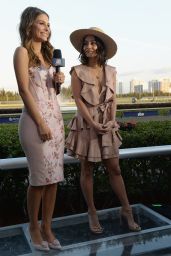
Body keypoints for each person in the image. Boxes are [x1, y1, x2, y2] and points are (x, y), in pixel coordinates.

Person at [66, 27, 141, 234]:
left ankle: (126, 210)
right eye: (85, 43)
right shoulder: (76, 71)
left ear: (100, 46)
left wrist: (111, 120)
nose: (88, 46)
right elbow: (78, 100)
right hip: (86, 124)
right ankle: (92, 212)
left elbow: (113, 98)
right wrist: (92, 123)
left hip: (106, 124)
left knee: (115, 168)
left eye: (93, 42)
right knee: (87, 170)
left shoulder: (111, 71)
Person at [13, 7, 65, 251]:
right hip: (35, 124)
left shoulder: (50, 54)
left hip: (55, 121)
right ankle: (33, 226)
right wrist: (42, 124)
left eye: (48, 24)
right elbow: (24, 91)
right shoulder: (22, 52)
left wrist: (59, 83)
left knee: (53, 179)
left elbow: (52, 94)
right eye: (41, 23)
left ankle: (47, 227)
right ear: (29, 25)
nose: (46, 28)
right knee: (39, 180)